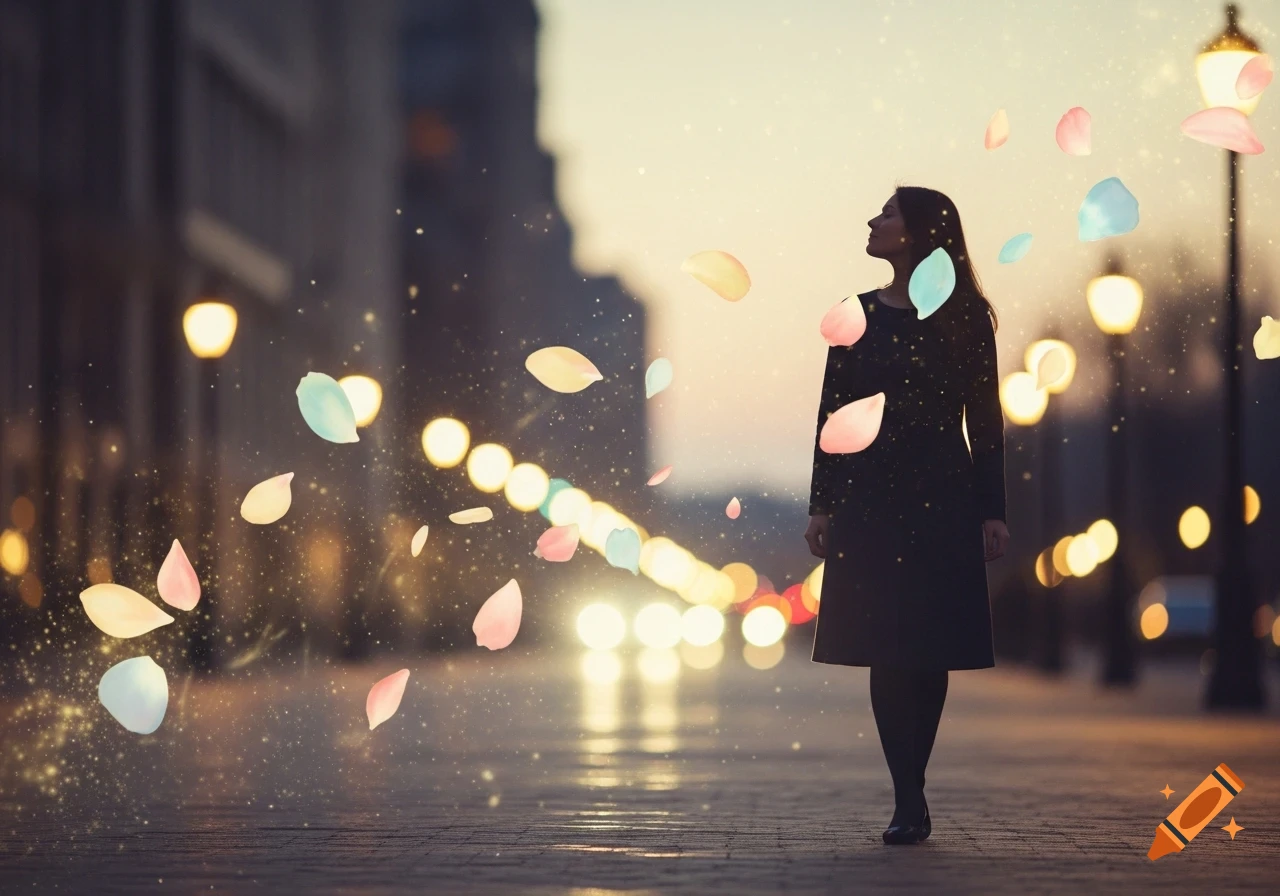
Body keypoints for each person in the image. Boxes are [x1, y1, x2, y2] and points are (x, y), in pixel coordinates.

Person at [804, 185, 1011, 846]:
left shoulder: (966, 317)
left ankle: (912, 785)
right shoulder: (853, 315)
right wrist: (822, 503)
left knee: (930, 649)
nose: (872, 219)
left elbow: (986, 421)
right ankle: (906, 797)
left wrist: (991, 510)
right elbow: (832, 419)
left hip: (944, 494)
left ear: (921, 232)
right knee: (888, 650)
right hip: (870, 500)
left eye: (888, 213)